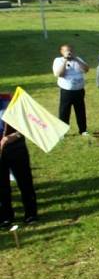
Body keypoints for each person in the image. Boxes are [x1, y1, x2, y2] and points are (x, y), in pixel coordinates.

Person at [0, 93, 38, 226]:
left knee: (25, 182)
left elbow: (26, 126)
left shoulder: (10, 101)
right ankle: (6, 216)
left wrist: (12, 137)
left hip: (16, 148)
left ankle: (31, 214)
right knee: (2, 186)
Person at [52, 44, 90, 135]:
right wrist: (65, 60)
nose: (69, 52)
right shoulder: (58, 60)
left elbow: (86, 69)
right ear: (61, 52)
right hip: (66, 91)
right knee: (64, 111)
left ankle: (83, 130)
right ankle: (62, 132)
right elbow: (58, 74)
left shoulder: (78, 59)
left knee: (80, 111)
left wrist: (76, 59)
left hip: (79, 90)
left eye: (71, 51)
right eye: (66, 51)